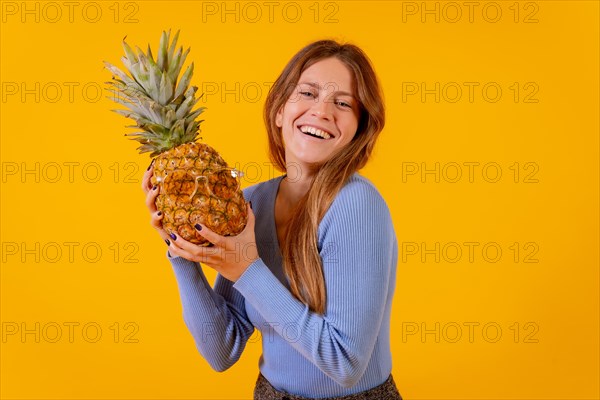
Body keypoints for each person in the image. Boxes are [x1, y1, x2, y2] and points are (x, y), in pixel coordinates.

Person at [142, 39, 402, 399]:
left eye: (343, 103)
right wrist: (182, 251)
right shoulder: (252, 204)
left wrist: (246, 269)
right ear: (280, 110)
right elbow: (222, 351)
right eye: (308, 93)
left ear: (359, 128)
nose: (322, 111)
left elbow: (345, 363)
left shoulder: (356, 205)